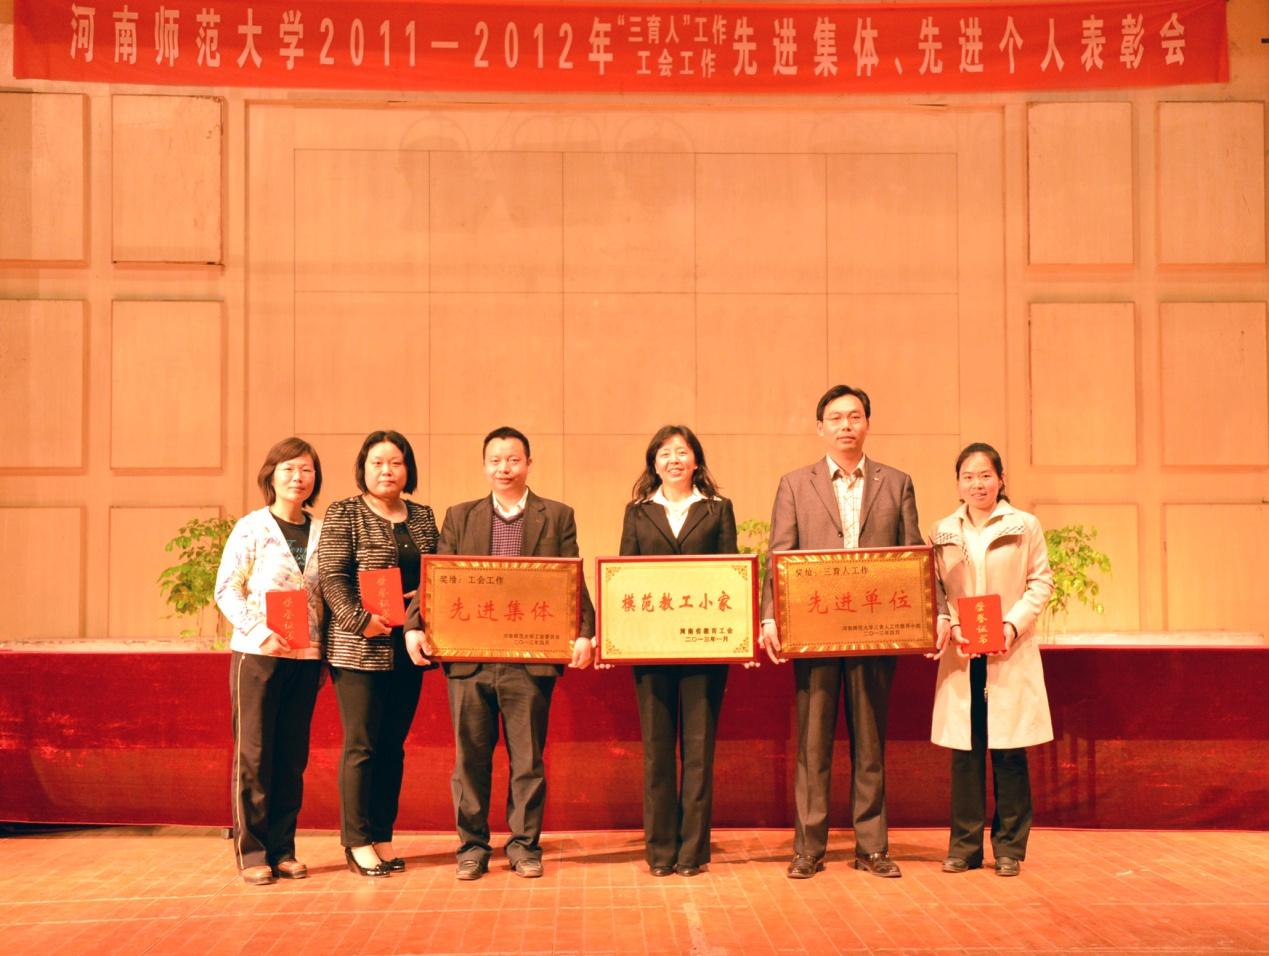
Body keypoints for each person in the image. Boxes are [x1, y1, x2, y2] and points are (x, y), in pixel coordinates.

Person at [404, 426, 595, 881]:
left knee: (528, 761)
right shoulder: (460, 516)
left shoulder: (557, 516)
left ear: (528, 463)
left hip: (529, 661)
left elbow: (572, 579)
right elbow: (438, 578)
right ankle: (471, 847)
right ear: (484, 465)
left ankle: (525, 846)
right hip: (469, 661)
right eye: (495, 460)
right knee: (469, 761)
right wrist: (413, 626)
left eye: (513, 459)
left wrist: (585, 632)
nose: (504, 468)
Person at [760, 384, 922, 879]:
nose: (846, 425)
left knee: (870, 744)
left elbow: (912, 554)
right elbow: (779, 555)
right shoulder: (795, 484)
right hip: (814, 634)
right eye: (836, 418)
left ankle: (871, 847)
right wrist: (770, 617)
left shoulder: (897, 483)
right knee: (812, 746)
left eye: (854, 416)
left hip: (875, 632)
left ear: (867, 423)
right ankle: (808, 848)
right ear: (820, 428)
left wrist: (928, 613)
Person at [928, 442, 1054, 878]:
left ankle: (1009, 848)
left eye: (985, 475)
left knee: (1008, 750)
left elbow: (1040, 582)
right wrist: (951, 624)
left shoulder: (1024, 525)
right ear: (958, 483)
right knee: (966, 753)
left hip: (1008, 651)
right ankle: (964, 847)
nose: (977, 484)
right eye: (968, 476)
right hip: (963, 652)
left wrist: (1011, 626)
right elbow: (934, 590)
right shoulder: (943, 530)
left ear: (1000, 479)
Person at [619, 426, 738, 878]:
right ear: (654, 463)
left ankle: (692, 852)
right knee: (656, 752)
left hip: (704, 648)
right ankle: (660, 851)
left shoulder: (717, 509)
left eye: (682, 452)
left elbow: (731, 574)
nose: (674, 460)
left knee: (699, 751)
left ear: (695, 460)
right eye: (665, 453)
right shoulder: (637, 512)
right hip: (650, 649)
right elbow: (624, 579)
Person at [319, 430, 438, 878]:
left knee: (393, 746)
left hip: (408, 648)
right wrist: (359, 619)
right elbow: (332, 577)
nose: (386, 471)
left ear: (408, 469)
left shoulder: (423, 516)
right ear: (363, 468)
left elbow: (437, 574)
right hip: (360, 649)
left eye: (396, 463)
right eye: (377, 463)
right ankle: (356, 841)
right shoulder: (345, 512)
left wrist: (419, 601)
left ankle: (382, 835)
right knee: (362, 746)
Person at [215, 436, 325, 886]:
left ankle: (284, 849)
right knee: (255, 754)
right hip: (257, 654)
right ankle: (253, 851)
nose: (298, 478)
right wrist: (260, 630)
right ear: (271, 476)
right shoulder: (252, 527)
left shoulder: (322, 530)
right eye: (289, 469)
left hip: (306, 657)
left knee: (291, 758)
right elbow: (227, 589)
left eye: (306, 470)